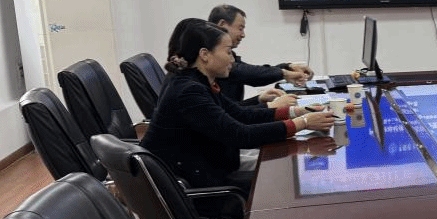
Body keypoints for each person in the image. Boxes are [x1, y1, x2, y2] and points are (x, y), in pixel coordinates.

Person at [143, 20, 334, 188]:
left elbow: (241, 115)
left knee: (288, 163)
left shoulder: (198, 82)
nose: (232, 59)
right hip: (197, 180)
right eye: (228, 52)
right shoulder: (189, 91)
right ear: (204, 54)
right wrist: (303, 123)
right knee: (286, 174)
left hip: (209, 165)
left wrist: (297, 111)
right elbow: (241, 134)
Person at [208, 4, 313, 105]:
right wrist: (284, 73)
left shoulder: (227, 57)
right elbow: (248, 73)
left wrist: (287, 67)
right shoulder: (214, 59)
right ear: (222, 25)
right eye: (240, 28)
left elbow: (235, 109)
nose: (243, 35)